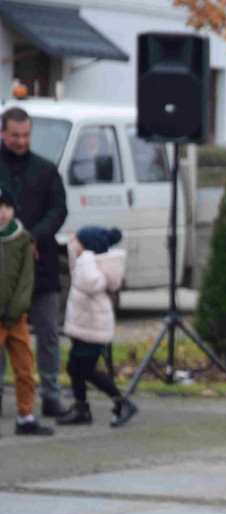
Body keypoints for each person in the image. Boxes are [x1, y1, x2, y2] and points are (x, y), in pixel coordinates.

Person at [0, 107, 69, 417]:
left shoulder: (46, 169)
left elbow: (59, 209)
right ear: (3, 133)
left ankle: (51, 396)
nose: (20, 141)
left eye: (26, 135)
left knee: (48, 331)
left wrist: (33, 238)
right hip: (3, 266)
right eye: (15, 135)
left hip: (41, 261)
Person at [57, 226, 137, 428]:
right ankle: (81, 408)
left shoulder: (90, 266)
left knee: (88, 370)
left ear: (87, 247)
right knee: (75, 367)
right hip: (83, 327)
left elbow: (91, 283)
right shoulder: (90, 264)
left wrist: (84, 257)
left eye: (78, 243)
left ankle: (122, 402)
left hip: (93, 329)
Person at [0, 184, 52, 436]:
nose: (3, 212)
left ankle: (26, 416)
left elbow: (25, 280)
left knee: (24, 368)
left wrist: (15, 309)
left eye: (7, 207)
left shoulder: (23, 238)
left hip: (16, 317)